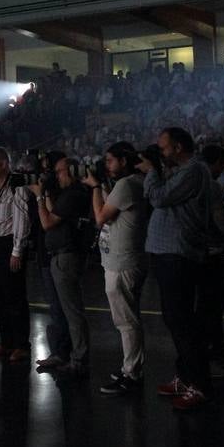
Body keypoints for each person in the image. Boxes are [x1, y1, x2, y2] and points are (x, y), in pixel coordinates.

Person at [142, 128, 213, 411]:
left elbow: (159, 197)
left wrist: (151, 170)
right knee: (175, 320)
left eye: (164, 148)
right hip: (167, 252)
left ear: (180, 147)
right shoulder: (180, 170)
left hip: (178, 254)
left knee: (183, 322)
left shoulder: (193, 170)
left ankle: (199, 384)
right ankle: (184, 378)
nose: (160, 153)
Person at [88, 143, 148, 394]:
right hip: (125, 260)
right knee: (128, 319)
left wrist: (94, 187)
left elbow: (101, 217)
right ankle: (131, 368)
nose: (108, 165)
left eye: (111, 160)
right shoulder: (134, 183)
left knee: (126, 322)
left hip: (122, 263)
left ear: (124, 160)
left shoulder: (127, 185)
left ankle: (131, 373)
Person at [29, 156, 93, 378]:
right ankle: (66, 354)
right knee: (64, 310)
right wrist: (45, 193)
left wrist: (38, 196)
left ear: (73, 170)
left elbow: (47, 222)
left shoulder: (75, 194)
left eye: (60, 172)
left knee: (72, 312)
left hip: (67, 256)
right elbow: (52, 210)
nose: (57, 176)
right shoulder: (69, 194)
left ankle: (79, 358)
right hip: (60, 255)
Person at [0, 147, 32, 362]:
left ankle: (21, 344)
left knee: (15, 296)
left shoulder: (16, 185)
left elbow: (22, 221)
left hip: (8, 245)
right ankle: (6, 341)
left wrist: (17, 251)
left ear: (3, 163)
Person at [198, 145, 224, 373]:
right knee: (212, 303)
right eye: (222, 163)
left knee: (203, 304)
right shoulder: (211, 186)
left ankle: (208, 349)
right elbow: (222, 222)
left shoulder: (188, 181)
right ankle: (214, 352)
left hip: (193, 251)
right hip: (210, 252)